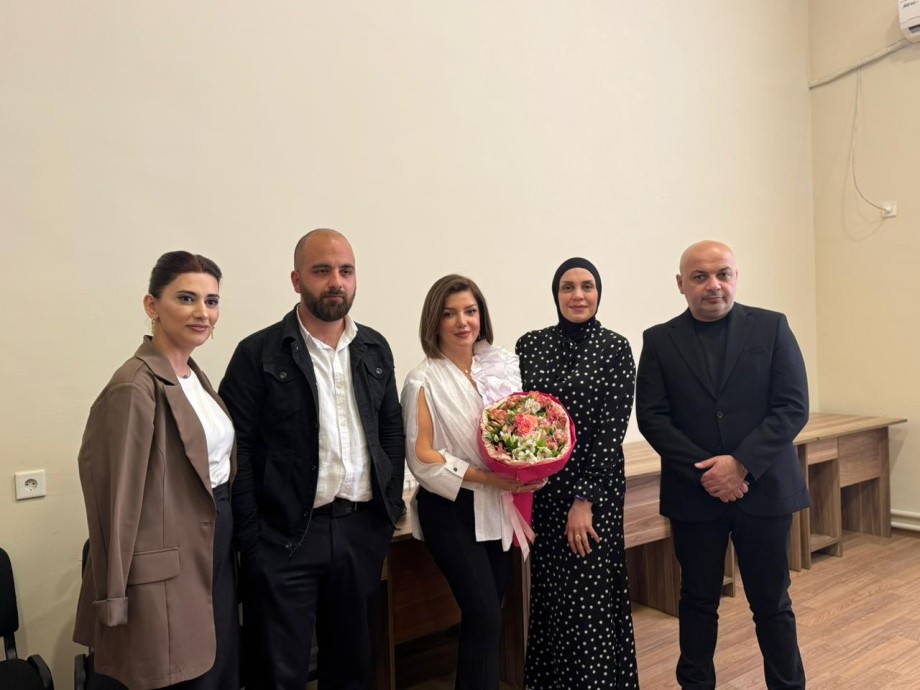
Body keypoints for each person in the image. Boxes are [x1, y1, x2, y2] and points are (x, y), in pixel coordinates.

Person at [219, 228, 405, 690]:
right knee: (278, 673)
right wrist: (252, 540)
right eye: (322, 271)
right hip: (285, 538)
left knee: (351, 668)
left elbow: (391, 432)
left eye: (346, 270)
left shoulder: (374, 348)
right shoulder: (258, 353)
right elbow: (237, 449)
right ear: (297, 279)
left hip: (360, 530)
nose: (336, 281)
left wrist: (386, 514)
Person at [636, 240, 809, 689]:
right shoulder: (659, 340)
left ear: (736, 277)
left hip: (765, 490)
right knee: (697, 602)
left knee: (772, 602)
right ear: (681, 284)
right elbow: (652, 418)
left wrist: (742, 464)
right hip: (695, 496)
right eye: (700, 277)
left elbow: (792, 406)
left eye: (722, 274)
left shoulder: (772, 327)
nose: (713, 285)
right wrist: (711, 474)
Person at [74, 251, 238, 690]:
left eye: (212, 301)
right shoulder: (134, 386)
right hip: (165, 566)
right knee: (184, 677)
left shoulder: (193, 376)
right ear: (152, 306)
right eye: (186, 298)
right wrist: (113, 598)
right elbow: (116, 505)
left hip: (213, 547)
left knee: (215, 669)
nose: (202, 312)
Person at [401, 274, 546, 690]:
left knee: (488, 616)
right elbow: (422, 458)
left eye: (470, 311)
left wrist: (528, 463)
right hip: (451, 511)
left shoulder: (498, 366)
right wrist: (490, 478)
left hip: (497, 508)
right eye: (450, 314)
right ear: (434, 321)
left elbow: (522, 428)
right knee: (483, 616)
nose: (462, 322)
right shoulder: (422, 380)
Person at [516, 258, 638, 689]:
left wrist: (584, 501)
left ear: (599, 293)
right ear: (556, 294)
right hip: (544, 494)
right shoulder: (531, 345)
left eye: (587, 286)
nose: (578, 295)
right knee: (552, 600)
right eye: (568, 287)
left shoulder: (614, 348)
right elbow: (522, 416)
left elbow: (610, 431)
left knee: (589, 602)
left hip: (593, 494)